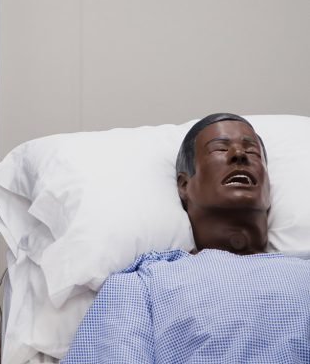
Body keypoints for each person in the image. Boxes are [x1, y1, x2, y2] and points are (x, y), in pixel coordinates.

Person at [62, 112, 310, 362]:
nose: (239, 154)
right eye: (220, 148)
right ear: (184, 186)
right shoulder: (143, 284)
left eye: (252, 151)